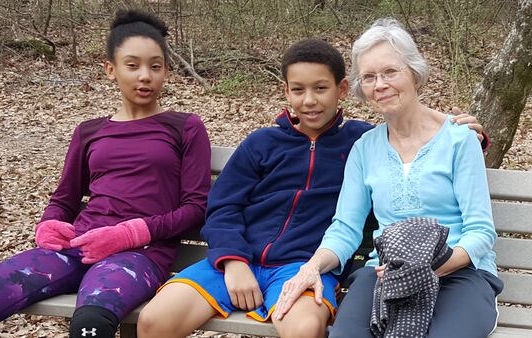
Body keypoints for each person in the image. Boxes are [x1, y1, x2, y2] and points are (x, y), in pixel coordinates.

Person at [137, 37, 486, 338]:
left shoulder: (360, 142)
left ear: (343, 90)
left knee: (304, 330)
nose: (309, 101)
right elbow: (223, 207)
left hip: (301, 264)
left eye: (321, 89)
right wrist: (233, 261)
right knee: (154, 321)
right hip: (234, 262)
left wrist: (471, 135)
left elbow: (413, 137)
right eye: (298, 90)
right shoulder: (261, 144)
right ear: (286, 91)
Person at [0, 9, 211, 338]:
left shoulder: (185, 127)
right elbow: (64, 198)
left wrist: (130, 234)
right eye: (132, 65)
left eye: (155, 66)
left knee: (90, 327)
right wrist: (50, 224)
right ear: (110, 70)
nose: (145, 76)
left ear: (166, 71)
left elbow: (195, 208)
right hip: (76, 248)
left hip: (140, 255)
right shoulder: (89, 131)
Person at [273, 19, 503, 338]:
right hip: (383, 273)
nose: (380, 84)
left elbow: (480, 231)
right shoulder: (365, 148)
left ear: (414, 72)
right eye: (369, 77)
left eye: (390, 72)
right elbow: (345, 228)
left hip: (460, 274)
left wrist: (424, 269)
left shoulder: (459, 140)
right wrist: (311, 267)